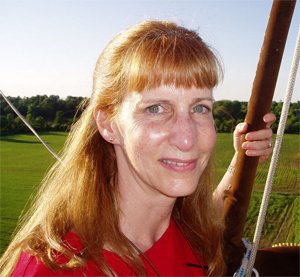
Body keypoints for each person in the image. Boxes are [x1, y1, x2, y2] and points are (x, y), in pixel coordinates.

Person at [0, 20, 275, 276]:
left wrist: (240, 160)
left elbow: (208, 219)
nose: (188, 138)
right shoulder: (54, 267)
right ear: (108, 125)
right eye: (156, 108)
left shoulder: (194, 236)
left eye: (200, 107)